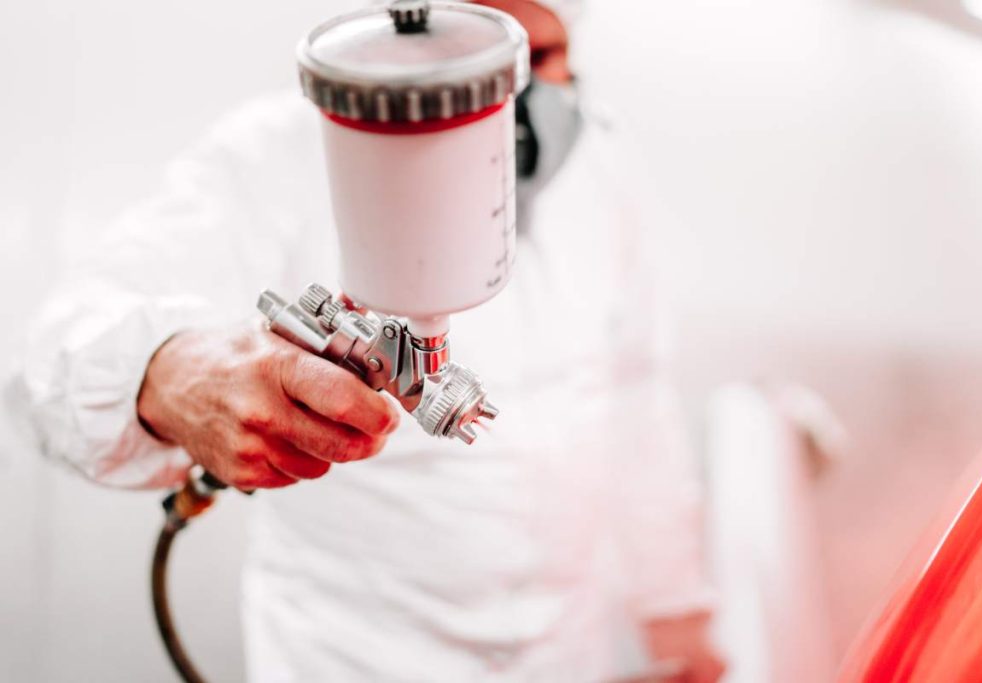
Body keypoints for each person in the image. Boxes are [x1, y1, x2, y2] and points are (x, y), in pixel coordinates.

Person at [15, 1, 725, 680]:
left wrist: (676, 611)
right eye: (473, 57)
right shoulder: (282, 154)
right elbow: (50, 357)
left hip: (566, 653)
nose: (517, 92)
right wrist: (172, 375)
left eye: (543, 56)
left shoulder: (604, 174)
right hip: (358, 659)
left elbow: (635, 395)